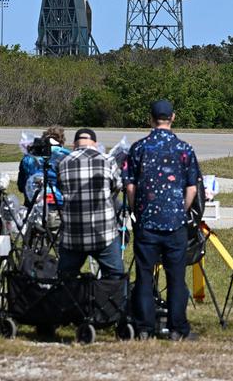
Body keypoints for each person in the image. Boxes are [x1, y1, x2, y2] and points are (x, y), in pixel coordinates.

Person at [125, 100, 199, 341]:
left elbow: (130, 186)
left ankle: (144, 327)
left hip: (147, 222)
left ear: (151, 119)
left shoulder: (138, 148)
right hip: (175, 222)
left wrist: (138, 209)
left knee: (145, 276)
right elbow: (192, 189)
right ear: (173, 117)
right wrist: (181, 211)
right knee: (176, 277)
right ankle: (178, 328)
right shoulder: (185, 149)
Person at [55, 128, 125, 279]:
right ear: (95, 144)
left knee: (66, 276)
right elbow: (117, 187)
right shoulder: (107, 161)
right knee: (115, 275)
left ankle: (70, 299)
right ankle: (111, 300)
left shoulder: (63, 163)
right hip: (103, 233)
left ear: (74, 144)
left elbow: (61, 188)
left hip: (73, 233)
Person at [17, 125, 71, 207]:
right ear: (61, 141)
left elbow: (21, 186)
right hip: (58, 202)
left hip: (33, 202)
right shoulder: (67, 155)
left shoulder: (29, 157)